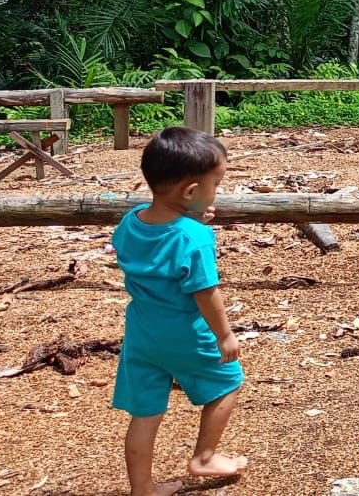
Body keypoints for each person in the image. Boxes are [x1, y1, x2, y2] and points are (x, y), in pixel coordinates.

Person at [111, 126, 246, 496]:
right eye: (216, 184)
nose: (217, 192)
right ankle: (204, 457)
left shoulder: (131, 220)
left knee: (146, 412)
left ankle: (143, 488)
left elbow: (154, 246)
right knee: (228, 382)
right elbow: (205, 292)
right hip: (186, 332)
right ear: (190, 192)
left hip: (142, 333)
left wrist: (191, 219)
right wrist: (224, 335)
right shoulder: (194, 237)